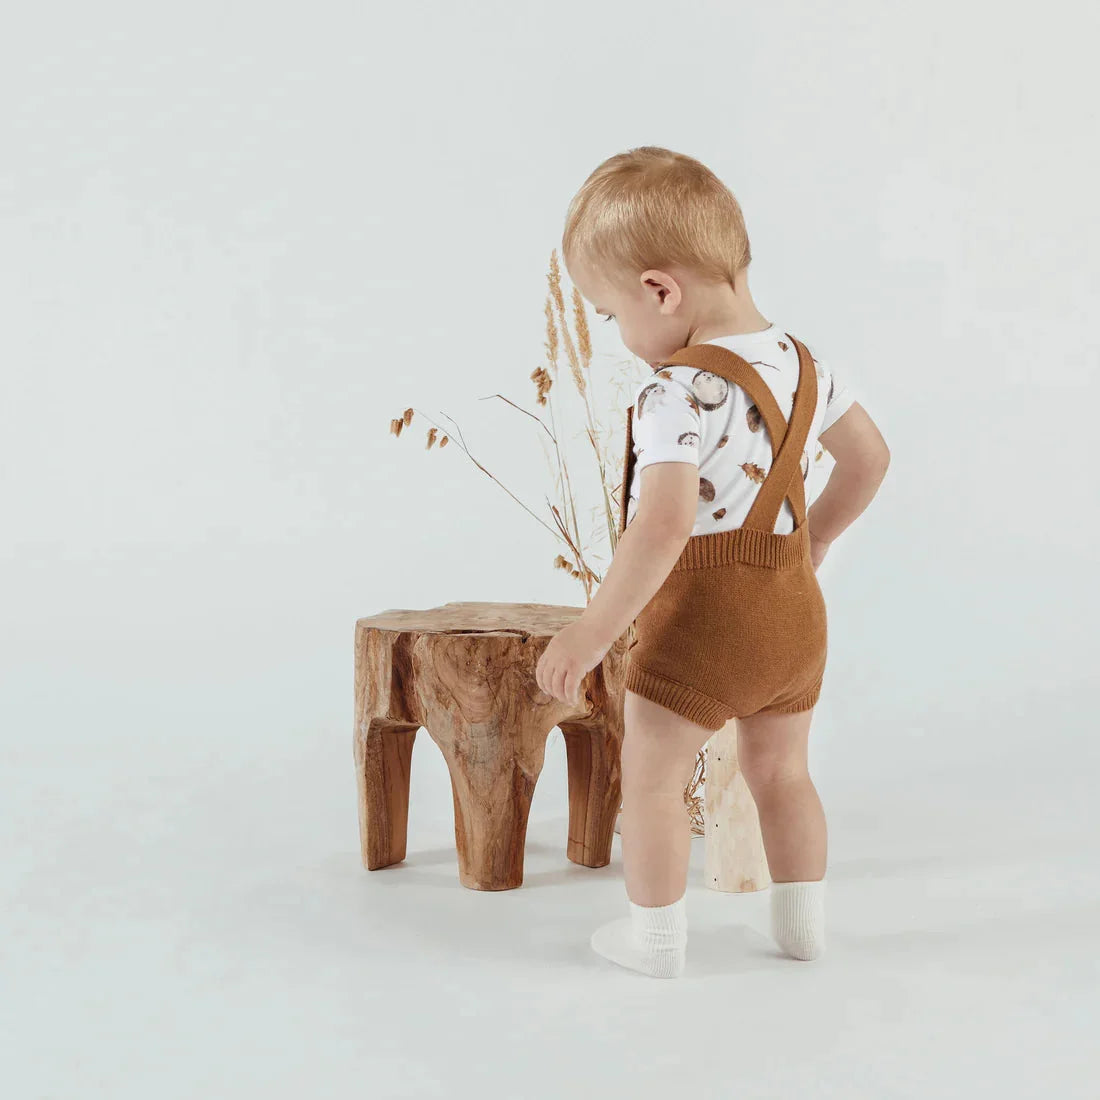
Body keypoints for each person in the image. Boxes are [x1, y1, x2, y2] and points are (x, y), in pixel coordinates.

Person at [535, 146, 891, 978]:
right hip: (795, 618)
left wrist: (590, 633)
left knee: (653, 781)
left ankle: (655, 943)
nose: (622, 338)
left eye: (611, 315)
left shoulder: (673, 391)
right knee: (784, 773)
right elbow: (869, 460)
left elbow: (661, 529)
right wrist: (815, 541)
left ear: (661, 290)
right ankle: (801, 929)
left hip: (705, 623)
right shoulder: (807, 365)